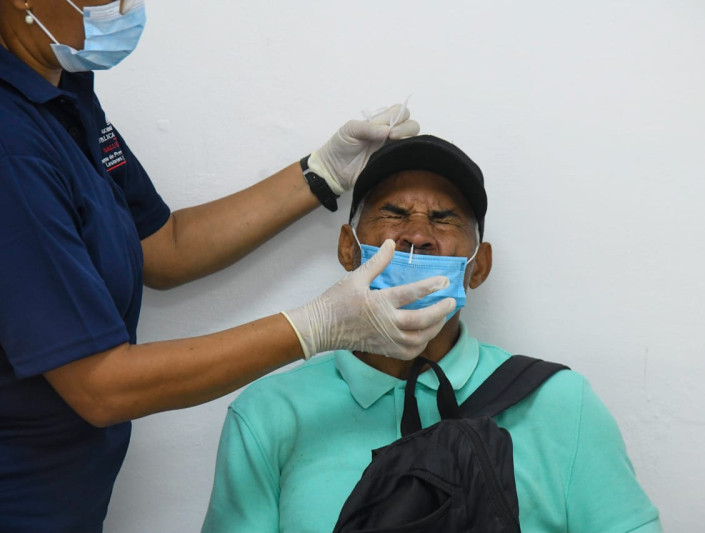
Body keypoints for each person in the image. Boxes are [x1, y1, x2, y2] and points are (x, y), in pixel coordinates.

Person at [0, 2, 455, 532]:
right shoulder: (12, 147)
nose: (124, 8)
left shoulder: (65, 94)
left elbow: (164, 245)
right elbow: (103, 388)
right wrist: (315, 327)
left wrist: (323, 172)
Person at [202, 135, 664, 533]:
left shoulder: (560, 404)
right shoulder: (269, 416)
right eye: (394, 213)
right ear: (348, 248)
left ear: (477, 267)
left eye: (443, 219)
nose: (417, 236)